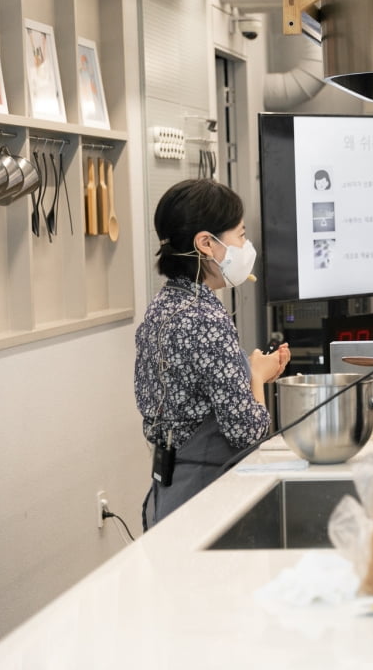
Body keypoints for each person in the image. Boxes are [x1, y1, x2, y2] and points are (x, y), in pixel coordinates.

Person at [135, 179, 290, 529]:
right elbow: (248, 432)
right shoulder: (204, 319)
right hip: (205, 501)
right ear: (206, 244)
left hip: (169, 491)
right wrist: (256, 376)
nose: (246, 246)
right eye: (240, 235)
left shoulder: (163, 306)